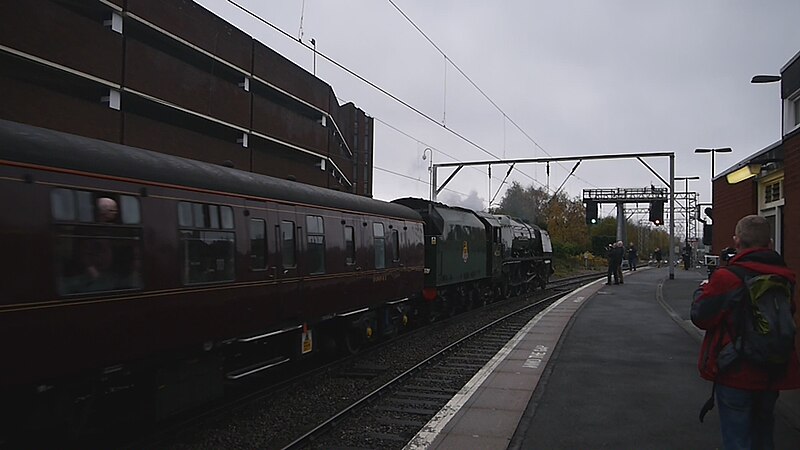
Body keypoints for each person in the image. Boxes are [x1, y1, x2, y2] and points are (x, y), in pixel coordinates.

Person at [690, 215, 800, 449]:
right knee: (764, 435)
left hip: (736, 371)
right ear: (769, 243)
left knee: (738, 439)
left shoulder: (728, 277)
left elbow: (701, 316)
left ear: (736, 241)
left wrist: (702, 291)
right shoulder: (784, 278)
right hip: (773, 369)